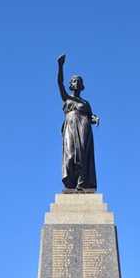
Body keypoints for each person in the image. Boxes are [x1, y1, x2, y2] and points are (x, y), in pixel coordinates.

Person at [56, 54, 99, 191]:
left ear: (81, 86)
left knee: (82, 155)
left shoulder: (86, 103)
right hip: (70, 126)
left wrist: (95, 119)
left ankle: (81, 184)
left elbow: (91, 117)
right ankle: (71, 183)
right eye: (73, 81)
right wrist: (60, 66)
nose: (74, 82)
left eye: (77, 81)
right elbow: (59, 83)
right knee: (70, 155)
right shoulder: (67, 98)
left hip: (83, 128)